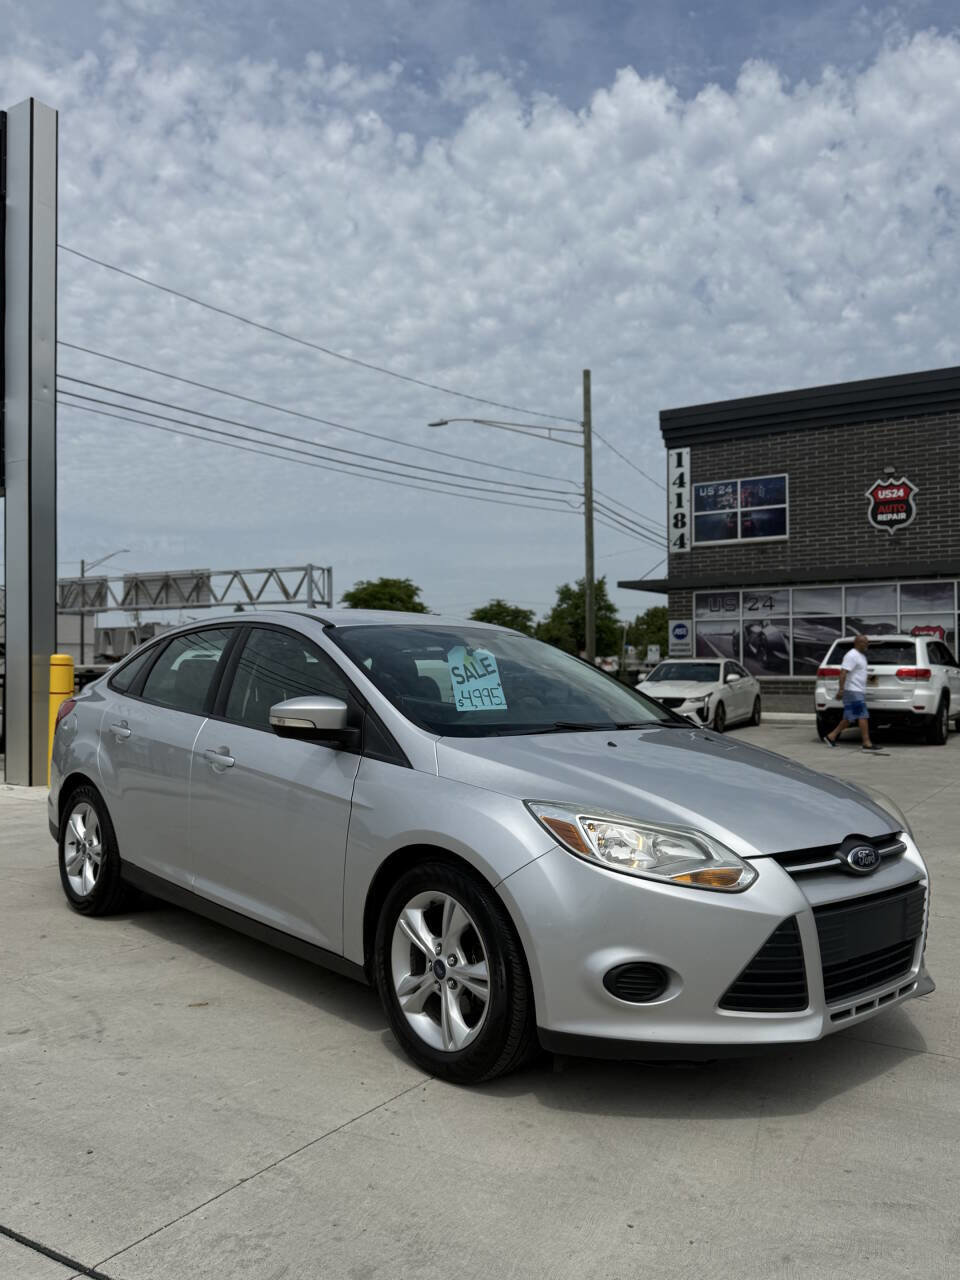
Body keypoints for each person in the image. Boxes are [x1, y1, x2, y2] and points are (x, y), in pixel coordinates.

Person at [823, 634, 884, 752]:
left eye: (867, 642)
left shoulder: (861, 656)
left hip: (857, 690)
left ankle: (831, 737)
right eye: (864, 642)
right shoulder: (851, 655)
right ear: (857, 643)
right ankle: (866, 743)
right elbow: (843, 672)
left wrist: (873, 680)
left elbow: (858, 674)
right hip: (853, 691)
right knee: (862, 715)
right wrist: (841, 690)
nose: (867, 645)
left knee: (849, 718)